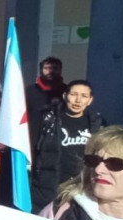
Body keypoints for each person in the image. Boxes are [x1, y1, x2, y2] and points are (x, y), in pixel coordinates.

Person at [30, 80, 106, 212]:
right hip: (47, 187)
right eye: (74, 94)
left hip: (81, 187)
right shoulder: (47, 118)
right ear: (65, 96)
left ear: (90, 100)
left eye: (84, 96)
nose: (78, 100)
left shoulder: (97, 123)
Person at [25, 56, 66, 139]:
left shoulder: (68, 92)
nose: (50, 71)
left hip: (60, 138)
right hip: (32, 138)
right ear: (40, 70)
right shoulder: (28, 91)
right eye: (46, 68)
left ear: (60, 70)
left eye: (55, 68)